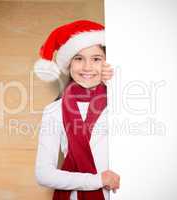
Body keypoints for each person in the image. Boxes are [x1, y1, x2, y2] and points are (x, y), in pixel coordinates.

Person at [34, 20, 120, 200]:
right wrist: (97, 180)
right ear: (69, 65)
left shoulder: (119, 102)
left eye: (96, 59)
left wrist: (115, 81)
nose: (87, 67)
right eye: (79, 58)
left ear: (106, 63)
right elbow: (43, 174)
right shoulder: (54, 110)